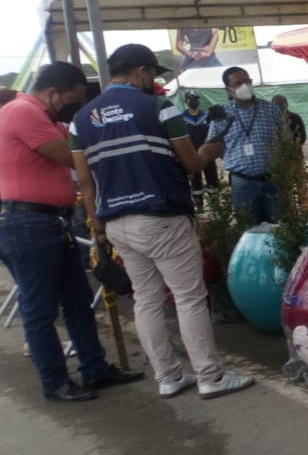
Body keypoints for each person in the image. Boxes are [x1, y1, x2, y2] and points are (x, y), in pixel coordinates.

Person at [70, 44, 254, 400]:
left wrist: (99, 227)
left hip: (116, 221)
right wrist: (208, 151)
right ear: (141, 72)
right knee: (189, 297)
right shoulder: (157, 106)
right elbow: (191, 163)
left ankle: (168, 377)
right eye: (152, 74)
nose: (153, 81)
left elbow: (85, 182)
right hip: (161, 215)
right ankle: (210, 376)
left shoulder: (82, 119)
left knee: (146, 299)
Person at [0, 61, 144, 401]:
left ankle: (94, 368)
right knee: (40, 309)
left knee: (78, 300)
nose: (74, 106)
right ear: (53, 93)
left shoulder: (44, 116)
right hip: (28, 224)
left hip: (50, 222)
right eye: (72, 99)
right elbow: (74, 158)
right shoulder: (23, 112)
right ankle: (55, 382)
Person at [199, 67, 284, 224]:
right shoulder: (221, 115)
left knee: (279, 228)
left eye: (247, 81)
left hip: (272, 179)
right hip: (242, 182)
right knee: (248, 229)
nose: (245, 86)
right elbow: (211, 147)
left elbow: (287, 140)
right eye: (238, 83)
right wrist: (229, 156)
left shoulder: (271, 110)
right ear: (228, 90)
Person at [182, 91, 221, 210]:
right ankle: (199, 206)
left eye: (196, 99)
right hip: (192, 154)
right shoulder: (181, 118)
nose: (194, 101)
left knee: (212, 178)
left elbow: (214, 133)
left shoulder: (206, 116)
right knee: (195, 180)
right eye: (191, 99)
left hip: (207, 153)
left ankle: (215, 205)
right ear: (186, 101)